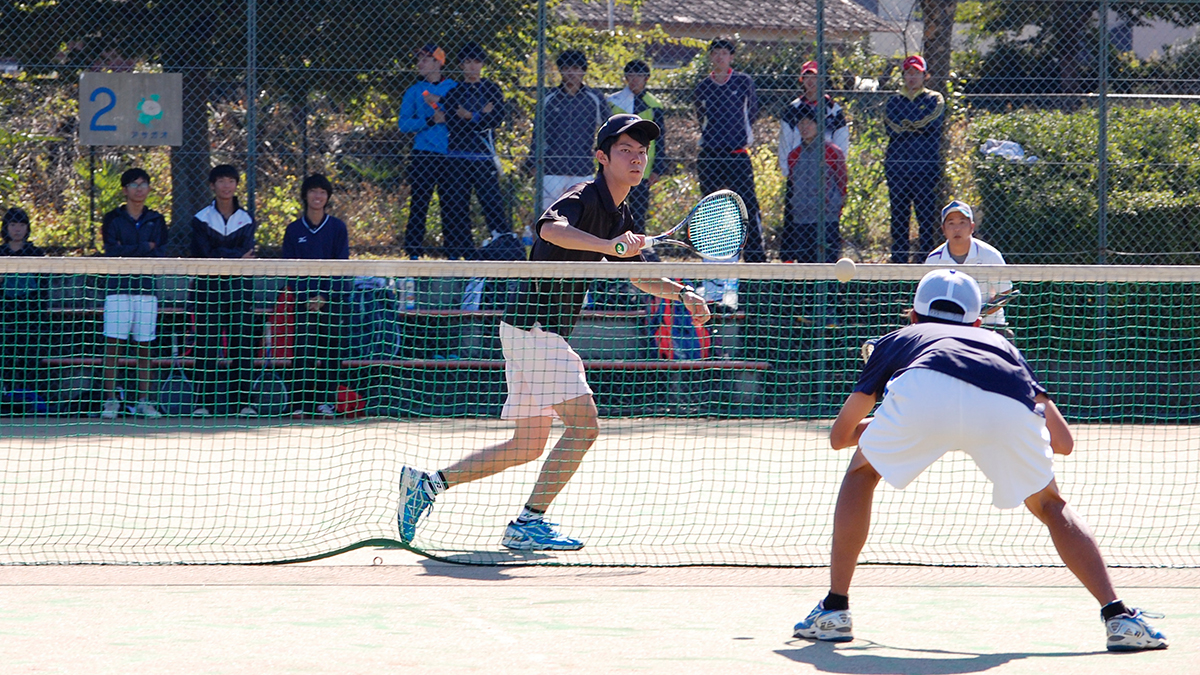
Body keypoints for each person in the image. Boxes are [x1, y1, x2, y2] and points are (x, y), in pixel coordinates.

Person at [792, 268, 1168, 653]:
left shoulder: (900, 338)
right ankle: (1118, 617)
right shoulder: (1003, 347)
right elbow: (1064, 443)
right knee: (1052, 505)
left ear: (914, 315)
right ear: (977, 320)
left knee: (861, 472)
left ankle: (834, 610)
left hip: (920, 390)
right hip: (1002, 406)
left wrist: (884, 425)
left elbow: (840, 436)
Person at [399, 114, 712, 550]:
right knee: (585, 427)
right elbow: (550, 229)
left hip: (528, 330)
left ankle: (427, 485)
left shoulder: (619, 212)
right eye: (625, 150)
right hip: (535, 329)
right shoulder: (583, 197)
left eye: (641, 152)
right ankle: (529, 522)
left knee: (528, 444)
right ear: (602, 158)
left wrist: (682, 294)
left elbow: (639, 277)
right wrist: (608, 247)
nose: (637, 159)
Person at [99, 168, 168, 420]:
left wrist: (130, 249)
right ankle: (110, 401)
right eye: (134, 184)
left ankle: (144, 401)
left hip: (146, 291)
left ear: (149, 189)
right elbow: (111, 251)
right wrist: (143, 247)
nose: (139, 189)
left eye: (144, 184)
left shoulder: (157, 220)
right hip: (118, 289)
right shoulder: (112, 218)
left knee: (145, 348)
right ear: (124, 190)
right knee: (113, 346)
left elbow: (160, 252)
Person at [190, 164, 258, 417]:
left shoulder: (246, 219)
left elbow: (248, 254)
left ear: (236, 185)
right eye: (221, 181)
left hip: (239, 290)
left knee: (242, 346)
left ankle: (243, 403)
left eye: (231, 181)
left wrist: (229, 256)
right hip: (208, 289)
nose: (226, 186)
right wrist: (235, 255)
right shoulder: (201, 219)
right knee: (206, 345)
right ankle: (202, 403)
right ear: (212, 185)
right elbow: (204, 253)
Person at [281, 174, 351, 417]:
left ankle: (326, 403)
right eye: (313, 191)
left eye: (322, 192)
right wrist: (305, 297)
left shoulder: (337, 228)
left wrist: (325, 295)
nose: (317, 196)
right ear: (305, 195)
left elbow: (342, 266)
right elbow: (289, 269)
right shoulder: (293, 230)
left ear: (328, 197)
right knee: (303, 353)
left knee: (331, 353)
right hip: (303, 304)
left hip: (331, 303)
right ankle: (298, 403)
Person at [692, 38, 764, 262]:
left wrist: (738, 136)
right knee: (712, 209)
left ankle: (755, 260)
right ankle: (714, 259)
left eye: (724, 53)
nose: (720, 57)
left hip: (737, 155)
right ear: (711, 57)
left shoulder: (743, 82)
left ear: (731, 57)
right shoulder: (703, 87)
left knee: (747, 208)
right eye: (716, 53)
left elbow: (751, 112)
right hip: (710, 156)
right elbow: (700, 117)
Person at [439, 42, 512, 260]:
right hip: (457, 157)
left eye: (477, 62)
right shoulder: (454, 92)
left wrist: (470, 116)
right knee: (457, 204)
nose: (472, 67)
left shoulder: (492, 89)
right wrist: (481, 115)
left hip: (483, 156)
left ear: (482, 64)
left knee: (491, 203)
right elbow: (452, 122)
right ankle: (460, 253)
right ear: (461, 65)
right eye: (468, 62)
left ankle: (502, 247)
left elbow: (496, 119)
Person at [526, 49, 608, 212]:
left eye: (576, 68)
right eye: (566, 68)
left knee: (582, 217)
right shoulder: (549, 98)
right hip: (551, 169)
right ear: (560, 70)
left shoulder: (594, 98)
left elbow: (608, 130)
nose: (571, 72)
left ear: (583, 71)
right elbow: (538, 134)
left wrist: (602, 158)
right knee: (546, 217)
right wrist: (533, 162)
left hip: (582, 169)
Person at [607, 60, 675, 249]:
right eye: (631, 75)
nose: (634, 79)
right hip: (615, 169)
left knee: (638, 213)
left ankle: (638, 252)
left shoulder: (654, 105)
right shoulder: (613, 102)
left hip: (642, 170)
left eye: (639, 75)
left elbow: (661, 140)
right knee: (611, 211)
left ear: (646, 79)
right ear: (626, 77)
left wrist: (657, 169)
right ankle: (612, 250)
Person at [398, 44, 457, 259]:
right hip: (423, 154)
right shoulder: (414, 91)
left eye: (425, 59)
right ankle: (414, 252)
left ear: (438, 62)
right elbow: (404, 124)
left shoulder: (453, 87)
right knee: (419, 203)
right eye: (419, 59)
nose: (419, 63)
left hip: (451, 154)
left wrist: (446, 113)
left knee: (450, 203)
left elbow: (461, 115)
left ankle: (453, 253)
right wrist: (430, 120)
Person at [884, 55, 945, 263]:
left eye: (916, 73)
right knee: (899, 217)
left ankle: (925, 262)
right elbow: (891, 126)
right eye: (909, 73)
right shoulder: (893, 100)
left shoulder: (934, 99)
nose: (912, 77)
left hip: (925, 169)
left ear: (925, 75)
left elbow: (931, 122)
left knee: (925, 218)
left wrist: (908, 125)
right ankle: (899, 262)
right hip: (897, 169)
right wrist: (916, 126)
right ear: (903, 75)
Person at [924, 200, 1012, 329]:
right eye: (951, 223)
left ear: (971, 227)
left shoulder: (990, 255)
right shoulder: (933, 260)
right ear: (943, 229)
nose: (957, 228)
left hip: (989, 326)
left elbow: (1005, 292)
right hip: (947, 328)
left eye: (962, 222)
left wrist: (978, 316)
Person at [782, 103, 847, 263]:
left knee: (829, 265)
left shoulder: (833, 152)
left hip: (827, 218)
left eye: (809, 123)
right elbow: (792, 184)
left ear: (819, 126)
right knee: (806, 267)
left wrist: (834, 206)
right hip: (801, 219)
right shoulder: (794, 155)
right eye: (801, 123)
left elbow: (841, 182)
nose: (805, 127)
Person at [0, 207, 47, 395]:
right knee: (7, 350)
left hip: (30, 309)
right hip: (5, 309)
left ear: (27, 228)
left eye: (21, 225)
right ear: (6, 228)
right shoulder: (1, 252)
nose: (17, 229)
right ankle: (7, 390)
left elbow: (43, 285)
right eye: (13, 224)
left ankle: (29, 391)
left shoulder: (36, 252)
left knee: (31, 350)